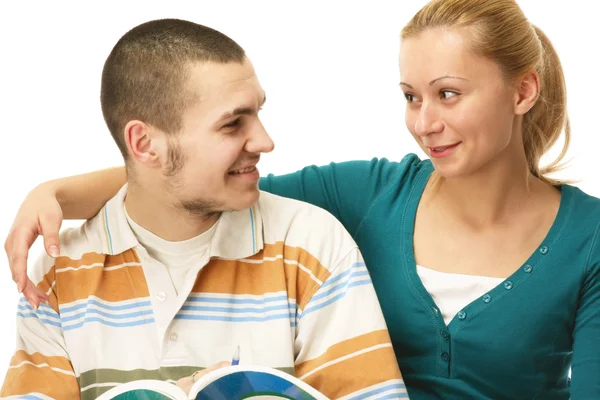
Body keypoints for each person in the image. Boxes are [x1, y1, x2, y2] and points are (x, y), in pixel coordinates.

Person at [4, 0, 600, 398]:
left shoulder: (589, 239)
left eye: (448, 94)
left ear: (523, 91)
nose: (424, 122)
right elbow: (194, 176)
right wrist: (53, 191)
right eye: (411, 96)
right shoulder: (368, 194)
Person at [0, 18, 406, 399]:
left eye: (258, 113)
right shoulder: (57, 275)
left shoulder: (312, 247)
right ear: (144, 144)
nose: (265, 142)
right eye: (233, 124)